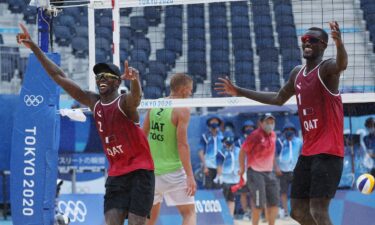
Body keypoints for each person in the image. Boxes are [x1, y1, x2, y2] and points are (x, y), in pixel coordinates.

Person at [17, 24, 155, 225]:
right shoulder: (93, 102)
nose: (101, 79)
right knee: (111, 222)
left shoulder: (124, 102)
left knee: (136, 223)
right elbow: (59, 77)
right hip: (117, 174)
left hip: (140, 172)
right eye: (98, 76)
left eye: (106, 76)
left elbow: (137, 98)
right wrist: (35, 49)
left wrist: (135, 80)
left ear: (117, 82)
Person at [215, 21, 347, 225]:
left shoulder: (327, 69)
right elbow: (278, 98)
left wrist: (340, 44)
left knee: (318, 210)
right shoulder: (297, 74)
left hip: (329, 152)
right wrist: (239, 91)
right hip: (308, 153)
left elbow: (341, 65)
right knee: (298, 212)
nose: (306, 43)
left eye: (312, 40)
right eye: (304, 40)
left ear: (323, 45)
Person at [143, 73, 196, 225]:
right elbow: (182, 144)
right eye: (190, 89)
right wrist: (190, 175)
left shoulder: (154, 104)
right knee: (189, 213)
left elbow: (143, 134)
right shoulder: (182, 109)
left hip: (152, 173)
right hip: (173, 173)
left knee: (150, 220)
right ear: (183, 89)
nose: (191, 93)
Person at [239, 114, 279, 225]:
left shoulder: (274, 135)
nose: (270, 124)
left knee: (275, 203)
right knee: (258, 204)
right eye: (267, 122)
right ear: (260, 123)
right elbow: (242, 151)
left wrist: (275, 167)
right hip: (255, 172)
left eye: (272, 122)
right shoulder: (254, 136)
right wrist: (242, 168)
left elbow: (272, 154)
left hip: (269, 172)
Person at [275, 122, 302, 218]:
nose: (289, 131)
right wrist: (276, 167)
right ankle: (286, 211)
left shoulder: (299, 142)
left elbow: (302, 154)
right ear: (283, 131)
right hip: (282, 171)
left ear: (294, 131)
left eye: (291, 129)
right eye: (287, 130)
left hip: (295, 171)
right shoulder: (279, 141)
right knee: (283, 192)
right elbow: (274, 155)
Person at [214, 131, 241, 216]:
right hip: (224, 180)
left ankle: (230, 217)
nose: (229, 140)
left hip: (234, 179)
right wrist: (220, 175)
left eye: (231, 138)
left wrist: (242, 172)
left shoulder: (238, 150)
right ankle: (222, 218)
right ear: (224, 141)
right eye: (227, 139)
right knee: (222, 199)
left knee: (232, 199)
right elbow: (219, 165)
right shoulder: (221, 152)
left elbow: (242, 162)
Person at [236, 120, 256, 221]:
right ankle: (246, 212)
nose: (249, 129)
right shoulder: (239, 141)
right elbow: (236, 155)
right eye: (247, 127)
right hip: (243, 170)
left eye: (251, 127)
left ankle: (253, 213)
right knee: (243, 193)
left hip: (254, 170)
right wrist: (239, 168)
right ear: (244, 129)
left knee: (253, 193)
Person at [198, 116, 224, 189]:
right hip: (208, 167)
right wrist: (205, 166)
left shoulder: (222, 136)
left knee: (219, 190)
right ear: (209, 123)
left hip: (220, 167)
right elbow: (200, 152)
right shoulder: (205, 136)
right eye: (212, 121)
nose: (214, 123)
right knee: (208, 188)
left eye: (216, 121)